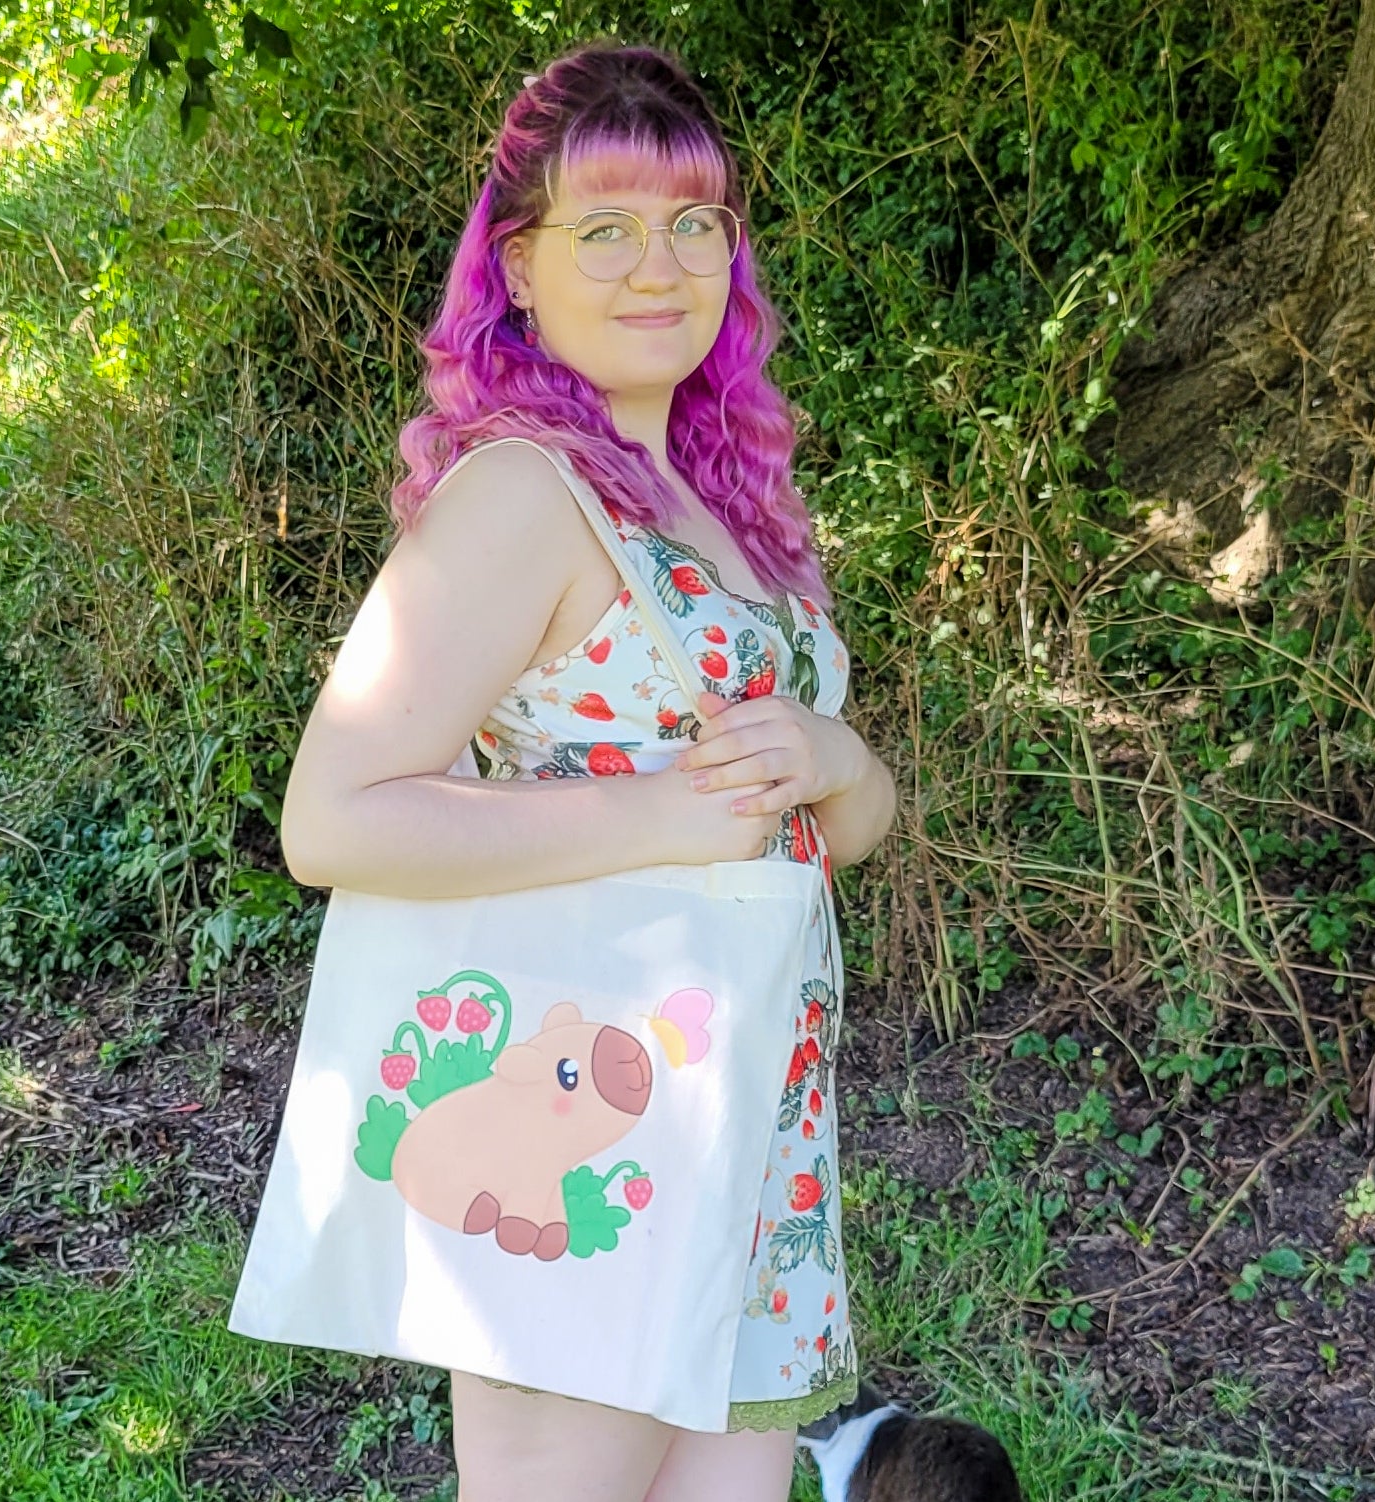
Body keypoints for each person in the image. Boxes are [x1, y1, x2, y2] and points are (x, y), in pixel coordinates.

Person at [277, 39, 898, 1502]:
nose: (658, 265)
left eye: (694, 223)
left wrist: (835, 755)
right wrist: (658, 808)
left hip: (752, 1122)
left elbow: (842, 829)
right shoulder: (522, 492)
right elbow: (332, 817)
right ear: (519, 266)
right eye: (604, 229)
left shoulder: (729, 500)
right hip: (578, 1119)